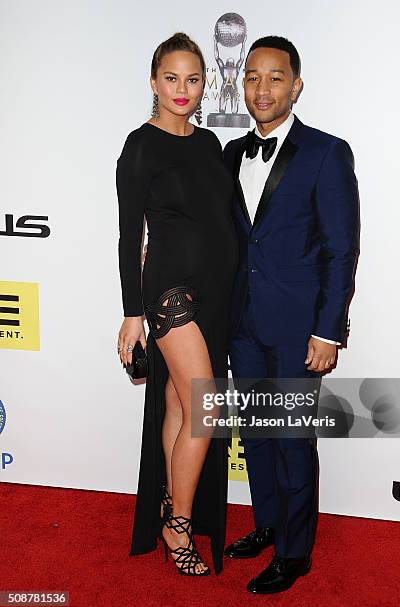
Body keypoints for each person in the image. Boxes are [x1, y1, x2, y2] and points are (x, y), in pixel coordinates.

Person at [223, 36, 360, 594]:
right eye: (252, 77)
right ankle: (268, 524)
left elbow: (341, 248)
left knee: (292, 439)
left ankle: (296, 553)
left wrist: (328, 329)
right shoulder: (229, 154)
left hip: (299, 327)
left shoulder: (327, 152)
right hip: (242, 325)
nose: (262, 88)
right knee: (255, 434)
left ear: (296, 86)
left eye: (275, 78)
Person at [116, 32, 238, 576]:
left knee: (178, 402)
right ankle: (179, 524)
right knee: (206, 407)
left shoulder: (209, 144)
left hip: (215, 292)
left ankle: (172, 501)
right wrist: (131, 313)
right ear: (153, 82)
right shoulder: (140, 146)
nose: (182, 89)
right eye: (172, 79)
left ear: (204, 83)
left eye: (193, 79)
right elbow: (127, 237)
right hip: (170, 292)